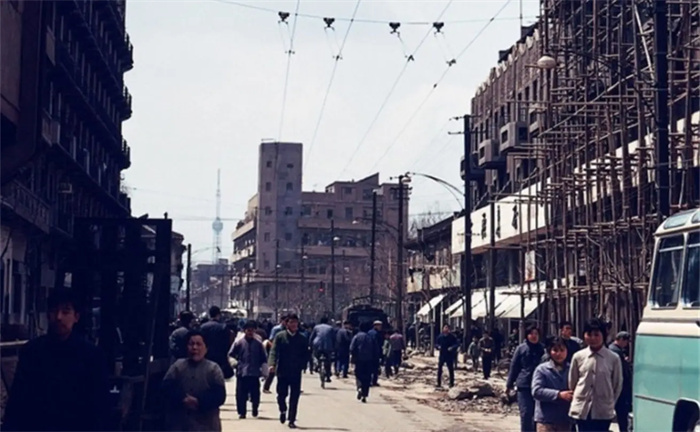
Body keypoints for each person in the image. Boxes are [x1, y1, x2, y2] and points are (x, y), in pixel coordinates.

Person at [3, 288, 111, 432]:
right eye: (54, 311)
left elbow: (99, 406)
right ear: (48, 314)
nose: (59, 317)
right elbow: (18, 400)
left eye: (65, 312)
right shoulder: (32, 351)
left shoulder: (91, 356)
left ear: (76, 317)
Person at [162, 330, 227, 431]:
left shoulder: (213, 369)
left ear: (206, 348)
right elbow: (167, 387)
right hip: (180, 424)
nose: (195, 347)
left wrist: (199, 401)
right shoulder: (177, 366)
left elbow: (219, 395)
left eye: (199, 344)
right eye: (191, 344)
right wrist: (182, 398)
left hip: (206, 425)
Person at [569, 318, 623, 432]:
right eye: (589, 334)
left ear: (603, 336)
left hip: (603, 410)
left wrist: (609, 402)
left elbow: (617, 384)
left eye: (596, 335)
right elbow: (573, 382)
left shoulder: (613, 358)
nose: (592, 338)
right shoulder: (578, 356)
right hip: (582, 409)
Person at [268, 314, 308, 429]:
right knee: (281, 395)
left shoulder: (302, 338)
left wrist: (303, 365)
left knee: (295, 396)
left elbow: (306, 353)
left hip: (296, 371)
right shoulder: (280, 336)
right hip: (282, 370)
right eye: (291, 322)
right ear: (286, 324)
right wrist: (272, 364)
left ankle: (291, 419)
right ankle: (283, 410)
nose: (294, 324)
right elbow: (274, 351)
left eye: (295, 322)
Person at [507, 323, 545, 432]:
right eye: (531, 334)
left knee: (537, 415)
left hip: (539, 386)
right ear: (527, 335)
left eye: (536, 334)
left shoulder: (542, 349)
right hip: (524, 385)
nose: (534, 336)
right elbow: (514, 366)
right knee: (526, 413)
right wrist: (509, 384)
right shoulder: (521, 349)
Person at [532, 337, 574, 432]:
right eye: (555, 350)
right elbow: (536, 391)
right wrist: (558, 394)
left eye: (562, 350)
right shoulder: (542, 370)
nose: (559, 354)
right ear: (549, 351)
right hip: (546, 419)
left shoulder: (572, 369)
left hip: (565, 419)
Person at [230, 320, 267, 419]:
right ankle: (242, 412)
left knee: (255, 394)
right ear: (244, 331)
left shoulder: (258, 344)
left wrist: (264, 371)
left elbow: (264, 358)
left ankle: (255, 408)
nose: (250, 332)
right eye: (248, 330)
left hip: (254, 373)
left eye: (252, 330)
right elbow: (230, 355)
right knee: (241, 394)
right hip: (242, 372)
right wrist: (234, 363)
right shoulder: (239, 343)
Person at [200, 306, 235, 379]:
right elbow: (227, 344)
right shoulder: (223, 327)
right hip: (220, 358)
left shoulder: (203, 327)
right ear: (218, 314)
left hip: (206, 356)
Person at [350, 321, 380, 403]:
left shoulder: (356, 337)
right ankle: (365, 394)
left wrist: (353, 357)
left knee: (358, 375)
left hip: (359, 360)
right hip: (369, 360)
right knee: (367, 377)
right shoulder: (371, 338)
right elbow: (376, 350)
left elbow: (352, 348)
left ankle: (359, 387)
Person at [609, 331, 632, 432]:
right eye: (626, 341)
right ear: (621, 340)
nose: (626, 344)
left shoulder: (617, 350)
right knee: (621, 413)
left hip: (621, 387)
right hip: (620, 387)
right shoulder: (614, 351)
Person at [263, 315, 288, 393]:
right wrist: (274, 348)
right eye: (285, 321)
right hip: (276, 351)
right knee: (272, 370)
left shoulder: (288, 329)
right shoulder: (276, 329)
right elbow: (270, 340)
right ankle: (266, 387)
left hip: (284, 352)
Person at [310, 317, 335, 387]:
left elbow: (312, 337)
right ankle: (328, 374)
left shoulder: (316, 327)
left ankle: (316, 365)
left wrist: (310, 345)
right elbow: (333, 338)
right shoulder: (330, 328)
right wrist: (334, 347)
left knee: (314, 356)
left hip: (317, 345)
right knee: (328, 360)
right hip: (328, 346)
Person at [367, 320, 384, 386]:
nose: (381, 327)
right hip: (375, 353)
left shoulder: (369, 332)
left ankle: (370, 380)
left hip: (369, 352)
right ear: (376, 326)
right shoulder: (376, 334)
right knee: (375, 368)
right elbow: (377, 344)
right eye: (379, 326)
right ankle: (374, 381)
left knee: (370, 368)